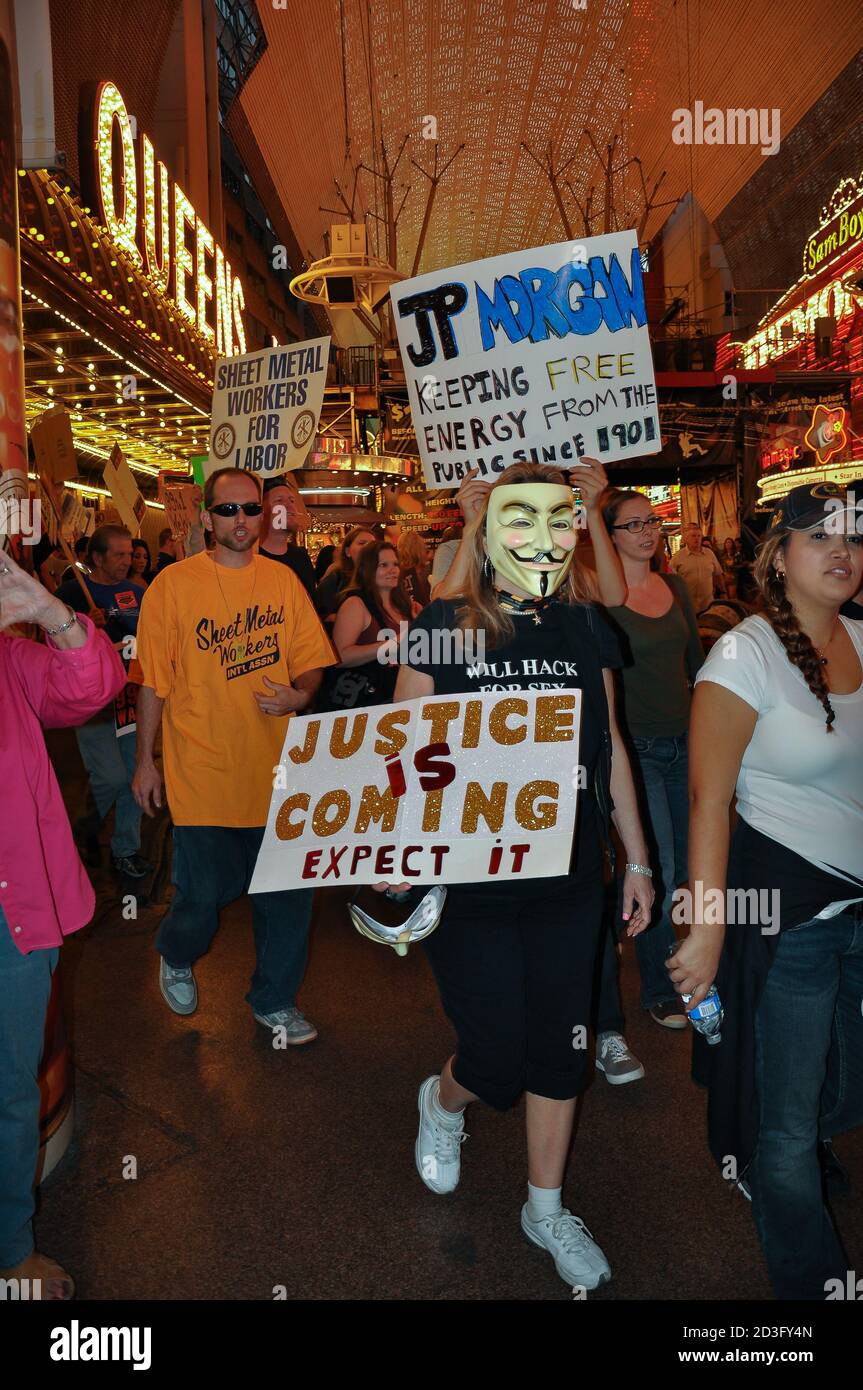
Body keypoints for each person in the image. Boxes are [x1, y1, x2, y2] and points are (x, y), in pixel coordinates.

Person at [388, 463, 653, 1291]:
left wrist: (637, 859)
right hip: (468, 880)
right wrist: (392, 845)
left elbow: (607, 749)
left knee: (560, 1050)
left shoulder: (583, 628)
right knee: (495, 1056)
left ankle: (544, 1207)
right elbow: (401, 749)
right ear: (487, 530)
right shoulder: (438, 627)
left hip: (569, 878)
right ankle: (443, 1102)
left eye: (555, 518)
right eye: (517, 518)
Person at [675, 481, 863, 1300]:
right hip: (790, 919)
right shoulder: (742, 655)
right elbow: (707, 801)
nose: (841, 551)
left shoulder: (861, 637)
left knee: (841, 1088)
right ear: (776, 557)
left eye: (853, 537)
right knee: (784, 1128)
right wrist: (706, 929)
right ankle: (810, 1286)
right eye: (818, 536)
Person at [132, 468, 336, 1042]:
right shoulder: (172, 586)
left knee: (288, 897)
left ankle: (274, 999)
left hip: (280, 772)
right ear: (206, 518)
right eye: (229, 510)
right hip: (202, 770)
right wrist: (146, 761)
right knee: (202, 897)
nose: (242, 520)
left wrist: (302, 692)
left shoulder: (284, 581)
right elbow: (152, 681)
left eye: (252, 510)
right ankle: (176, 950)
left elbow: (311, 658)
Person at [0, 548, 125, 1300]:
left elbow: (93, 688)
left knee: (11, 1087)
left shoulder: (13, 661)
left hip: (12, 913)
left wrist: (51, 613)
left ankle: (8, 1249)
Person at [601, 489, 704, 1031]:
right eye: (633, 524)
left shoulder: (677, 586)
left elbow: (698, 666)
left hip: (687, 743)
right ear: (609, 534)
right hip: (635, 752)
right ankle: (659, 987)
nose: (648, 531)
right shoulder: (602, 594)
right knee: (655, 868)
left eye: (653, 521)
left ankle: (683, 961)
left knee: (691, 869)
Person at [54, 525, 149, 879]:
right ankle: (83, 830)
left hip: (130, 696)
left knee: (135, 776)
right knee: (110, 776)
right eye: (119, 554)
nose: (128, 561)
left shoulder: (136, 593)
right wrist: (80, 627)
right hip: (91, 699)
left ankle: (127, 849)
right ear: (97, 557)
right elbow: (51, 646)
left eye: (130, 554)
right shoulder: (71, 593)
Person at [326, 540, 415, 710]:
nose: (393, 570)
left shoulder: (401, 603)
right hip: (370, 701)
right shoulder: (355, 604)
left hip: (401, 697)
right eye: (384, 565)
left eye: (395, 564)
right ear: (368, 569)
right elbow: (340, 657)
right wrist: (394, 643)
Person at [258, 474, 317, 597]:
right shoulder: (252, 556)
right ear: (261, 510)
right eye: (279, 501)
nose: (290, 507)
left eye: (292, 501)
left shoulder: (301, 557)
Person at [314, 526, 376, 628]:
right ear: (347, 551)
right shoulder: (335, 578)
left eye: (372, 544)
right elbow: (319, 614)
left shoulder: (382, 578)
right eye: (362, 543)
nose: (368, 547)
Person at [670, 522, 725, 613]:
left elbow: (718, 574)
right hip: (687, 606)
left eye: (699, 536)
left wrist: (723, 592)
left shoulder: (709, 554)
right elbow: (671, 580)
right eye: (693, 536)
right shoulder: (678, 557)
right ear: (686, 539)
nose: (697, 538)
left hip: (708, 604)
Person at [397, 529, 431, 608]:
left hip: (405, 618)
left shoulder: (397, 573)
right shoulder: (430, 569)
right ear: (421, 548)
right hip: (429, 615)